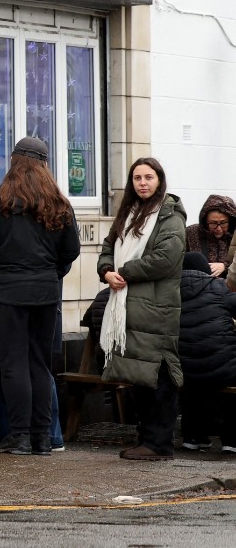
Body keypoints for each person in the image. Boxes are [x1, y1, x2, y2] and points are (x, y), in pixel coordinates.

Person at [0, 137, 81, 456]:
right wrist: (51, 274)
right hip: (46, 295)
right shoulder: (59, 202)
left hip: (5, 295)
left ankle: (19, 436)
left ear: (13, 161)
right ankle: (42, 438)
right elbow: (71, 250)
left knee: (13, 364)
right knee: (40, 365)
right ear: (45, 165)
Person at [97, 157, 186, 461]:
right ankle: (147, 440)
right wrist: (106, 270)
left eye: (149, 177)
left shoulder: (169, 215)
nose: (143, 183)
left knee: (159, 375)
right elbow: (108, 246)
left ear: (159, 180)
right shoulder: (129, 213)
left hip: (157, 309)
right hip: (129, 306)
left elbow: (166, 259)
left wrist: (123, 271)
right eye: (137, 178)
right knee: (138, 374)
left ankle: (159, 443)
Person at [176, 251, 236, 452]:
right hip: (222, 368)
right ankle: (231, 440)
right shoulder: (220, 288)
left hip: (183, 368)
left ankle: (193, 436)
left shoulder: (170, 292)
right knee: (228, 374)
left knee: (192, 383)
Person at [184, 194, 235, 279]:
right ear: (205, 221)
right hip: (197, 284)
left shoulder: (234, 235)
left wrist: (225, 266)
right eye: (213, 223)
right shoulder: (191, 233)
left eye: (223, 223)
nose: (218, 229)